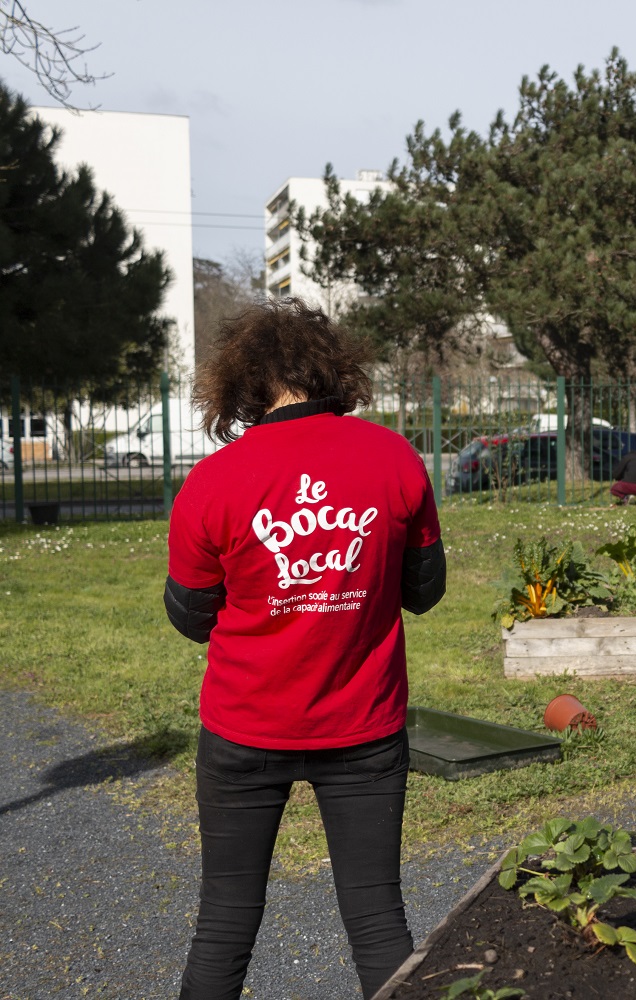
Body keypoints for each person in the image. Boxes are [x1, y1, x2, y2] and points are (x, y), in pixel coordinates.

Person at [164, 298, 445, 1000]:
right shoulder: (393, 458)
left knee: (223, 924)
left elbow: (191, 616)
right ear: (333, 370)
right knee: (380, 922)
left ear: (243, 382)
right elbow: (424, 590)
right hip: (365, 730)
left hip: (243, 730)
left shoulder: (213, 481)